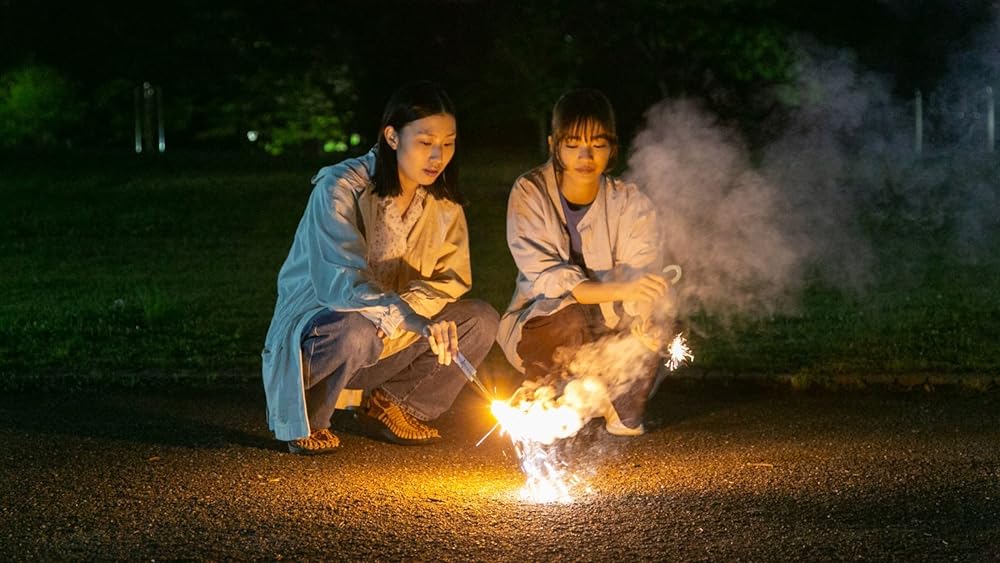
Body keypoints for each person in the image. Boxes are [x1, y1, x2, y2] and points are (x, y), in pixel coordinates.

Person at [262, 81, 499, 454]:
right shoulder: (339, 187)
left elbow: (450, 279)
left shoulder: (442, 203)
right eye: (425, 142)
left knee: (479, 320)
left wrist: (416, 317)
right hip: (327, 336)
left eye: (448, 143)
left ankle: (395, 403)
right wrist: (405, 317)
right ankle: (309, 416)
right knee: (357, 328)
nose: (438, 156)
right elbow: (342, 280)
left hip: (390, 336)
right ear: (392, 136)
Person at [497, 88, 669, 437]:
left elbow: (642, 270)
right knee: (569, 315)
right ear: (554, 144)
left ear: (613, 147)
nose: (585, 155)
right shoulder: (530, 192)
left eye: (598, 144)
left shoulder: (630, 202)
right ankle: (547, 393)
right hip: (546, 327)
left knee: (665, 315)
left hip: (609, 334)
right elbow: (554, 280)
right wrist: (625, 288)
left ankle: (612, 400)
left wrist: (645, 308)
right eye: (573, 143)